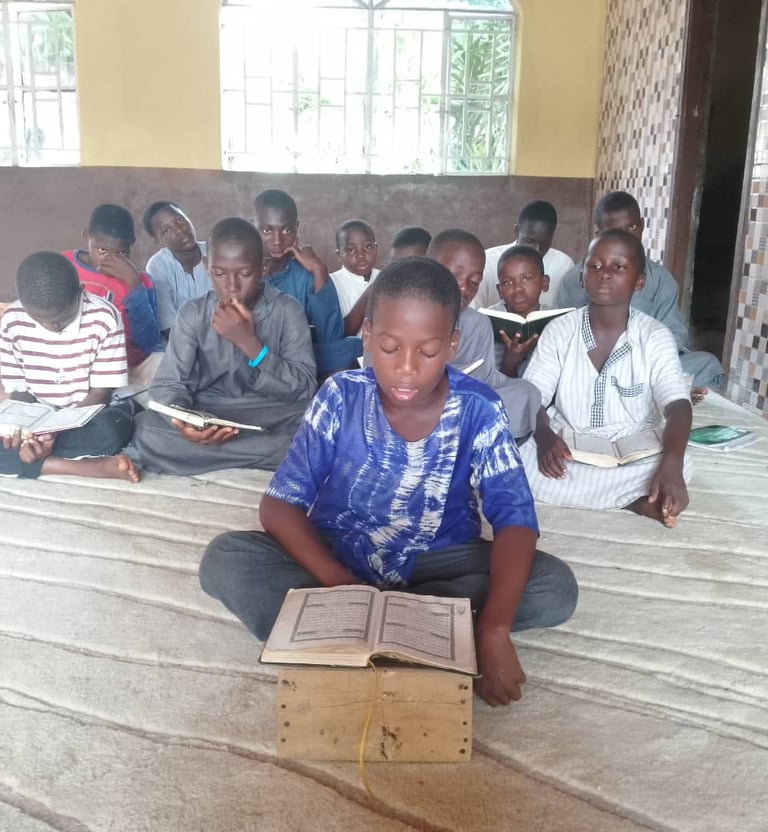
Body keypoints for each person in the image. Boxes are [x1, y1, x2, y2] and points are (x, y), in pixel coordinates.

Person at [200, 257, 578, 707]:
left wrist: (496, 629)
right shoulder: (341, 395)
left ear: (453, 345)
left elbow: (515, 518)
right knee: (224, 560)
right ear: (368, 336)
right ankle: (432, 632)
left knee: (555, 587)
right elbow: (280, 505)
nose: (405, 368)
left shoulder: (479, 407)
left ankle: (360, 630)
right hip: (339, 558)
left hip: (440, 561)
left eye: (428, 352)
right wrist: (343, 587)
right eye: (390, 347)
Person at [519, 229, 693, 528]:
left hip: (635, 448)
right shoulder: (561, 330)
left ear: (639, 281)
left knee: (685, 461)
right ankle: (632, 500)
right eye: (595, 266)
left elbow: (677, 404)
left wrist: (673, 465)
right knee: (515, 454)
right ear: (581, 277)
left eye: (619, 267)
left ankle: (619, 493)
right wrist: (545, 438)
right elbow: (534, 396)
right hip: (567, 444)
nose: (605, 274)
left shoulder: (654, 336)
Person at [132, 218, 317, 476]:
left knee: (320, 426)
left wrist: (250, 344)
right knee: (145, 429)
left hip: (271, 411)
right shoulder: (193, 314)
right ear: (207, 267)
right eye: (219, 274)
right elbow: (168, 385)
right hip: (210, 412)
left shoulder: (288, 311)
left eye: (244, 274)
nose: (231, 286)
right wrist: (184, 423)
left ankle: (218, 456)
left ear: (263, 267)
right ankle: (263, 453)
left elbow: (304, 388)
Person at [555, 191, 724, 395]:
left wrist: (640, 357)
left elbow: (673, 335)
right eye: (615, 231)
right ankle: (646, 391)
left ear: (642, 225)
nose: (626, 237)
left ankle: (642, 388)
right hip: (590, 364)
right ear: (599, 234)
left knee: (707, 364)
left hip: (645, 365)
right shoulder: (575, 280)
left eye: (632, 227)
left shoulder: (661, 280)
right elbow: (562, 334)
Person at [0, 252, 139, 482]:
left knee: (112, 429)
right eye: (39, 319)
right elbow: (20, 393)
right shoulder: (11, 321)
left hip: (90, 413)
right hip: (38, 414)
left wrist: (51, 434)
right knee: (8, 436)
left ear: (81, 292)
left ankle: (36, 460)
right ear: (23, 304)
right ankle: (87, 467)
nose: (52, 326)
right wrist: (23, 433)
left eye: (62, 318)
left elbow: (100, 394)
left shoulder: (104, 317)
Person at [426, 230, 541, 440]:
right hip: (410, 404)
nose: (463, 287)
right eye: (455, 275)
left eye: (474, 281)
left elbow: (487, 379)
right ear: (429, 268)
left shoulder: (477, 324)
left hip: (462, 407)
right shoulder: (402, 314)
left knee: (525, 391)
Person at [253, 189, 362, 376]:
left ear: (297, 228)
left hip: (298, 356)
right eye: (267, 230)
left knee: (350, 349)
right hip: (252, 354)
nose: (277, 241)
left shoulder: (305, 274)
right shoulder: (243, 270)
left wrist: (319, 270)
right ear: (252, 227)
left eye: (286, 230)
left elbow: (331, 336)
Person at [63, 203, 164, 389]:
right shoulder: (64, 267)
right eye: (102, 251)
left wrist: (133, 284)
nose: (111, 260)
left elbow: (148, 341)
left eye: (122, 253)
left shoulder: (142, 281)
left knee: (163, 365)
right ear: (87, 236)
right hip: (78, 362)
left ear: (132, 243)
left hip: (129, 363)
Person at [474, 200, 574, 310]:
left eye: (544, 243)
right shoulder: (488, 261)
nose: (537, 249)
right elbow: (476, 311)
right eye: (529, 241)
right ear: (517, 230)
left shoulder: (564, 265)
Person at [143, 201, 212, 338]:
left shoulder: (214, 252)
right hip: (180, 346)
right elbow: (168, 327)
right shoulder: (158, 266)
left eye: (180, 220)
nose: (179, 230)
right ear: (157, 239)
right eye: (166, 230)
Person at [487, 245, 551, 378]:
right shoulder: (485, 320)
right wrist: (509, 364)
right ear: (499, 291)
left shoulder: (558, 322)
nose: (517, 289)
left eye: (526, 279)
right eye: (507, 282)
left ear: (544, 283)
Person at [329, 219, 380, 336]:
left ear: (375, 249)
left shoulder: (385, 277)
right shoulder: (331, 283)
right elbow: (340, 332)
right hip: (349, 352)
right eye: (351, 250)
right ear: (339, 255)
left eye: (367, 247)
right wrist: (369, 293)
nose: (360, 255)